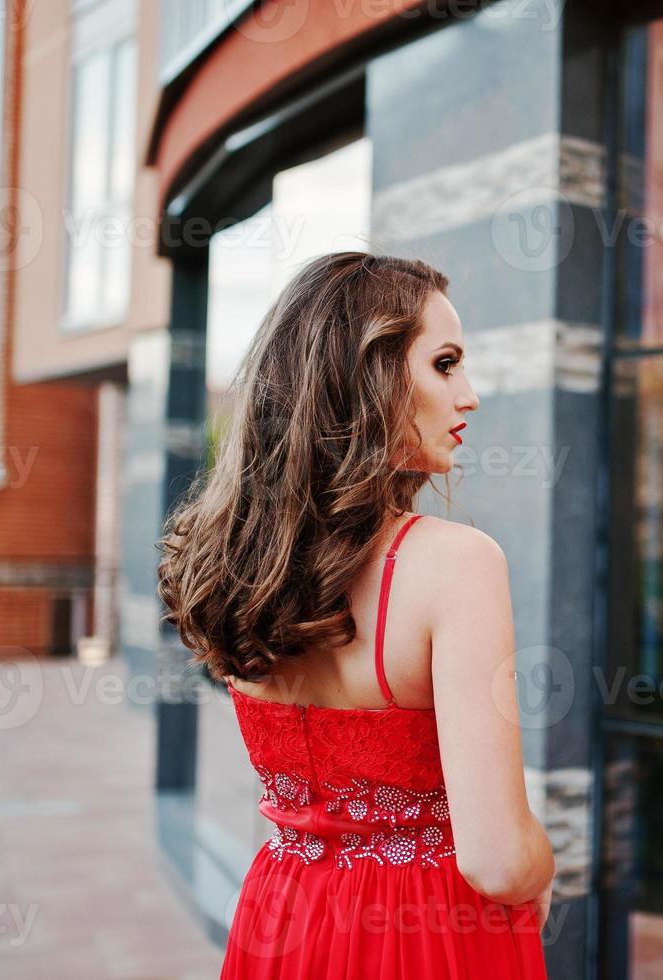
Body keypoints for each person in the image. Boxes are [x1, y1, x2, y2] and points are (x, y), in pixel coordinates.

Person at [156, 252, 553, 977]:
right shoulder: (457, 564)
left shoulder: (235, 567)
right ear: (365, 378)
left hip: (283, 914)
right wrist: (543, 862)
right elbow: (497, 861)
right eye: (444, 364)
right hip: (428, 934)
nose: (469, 395)